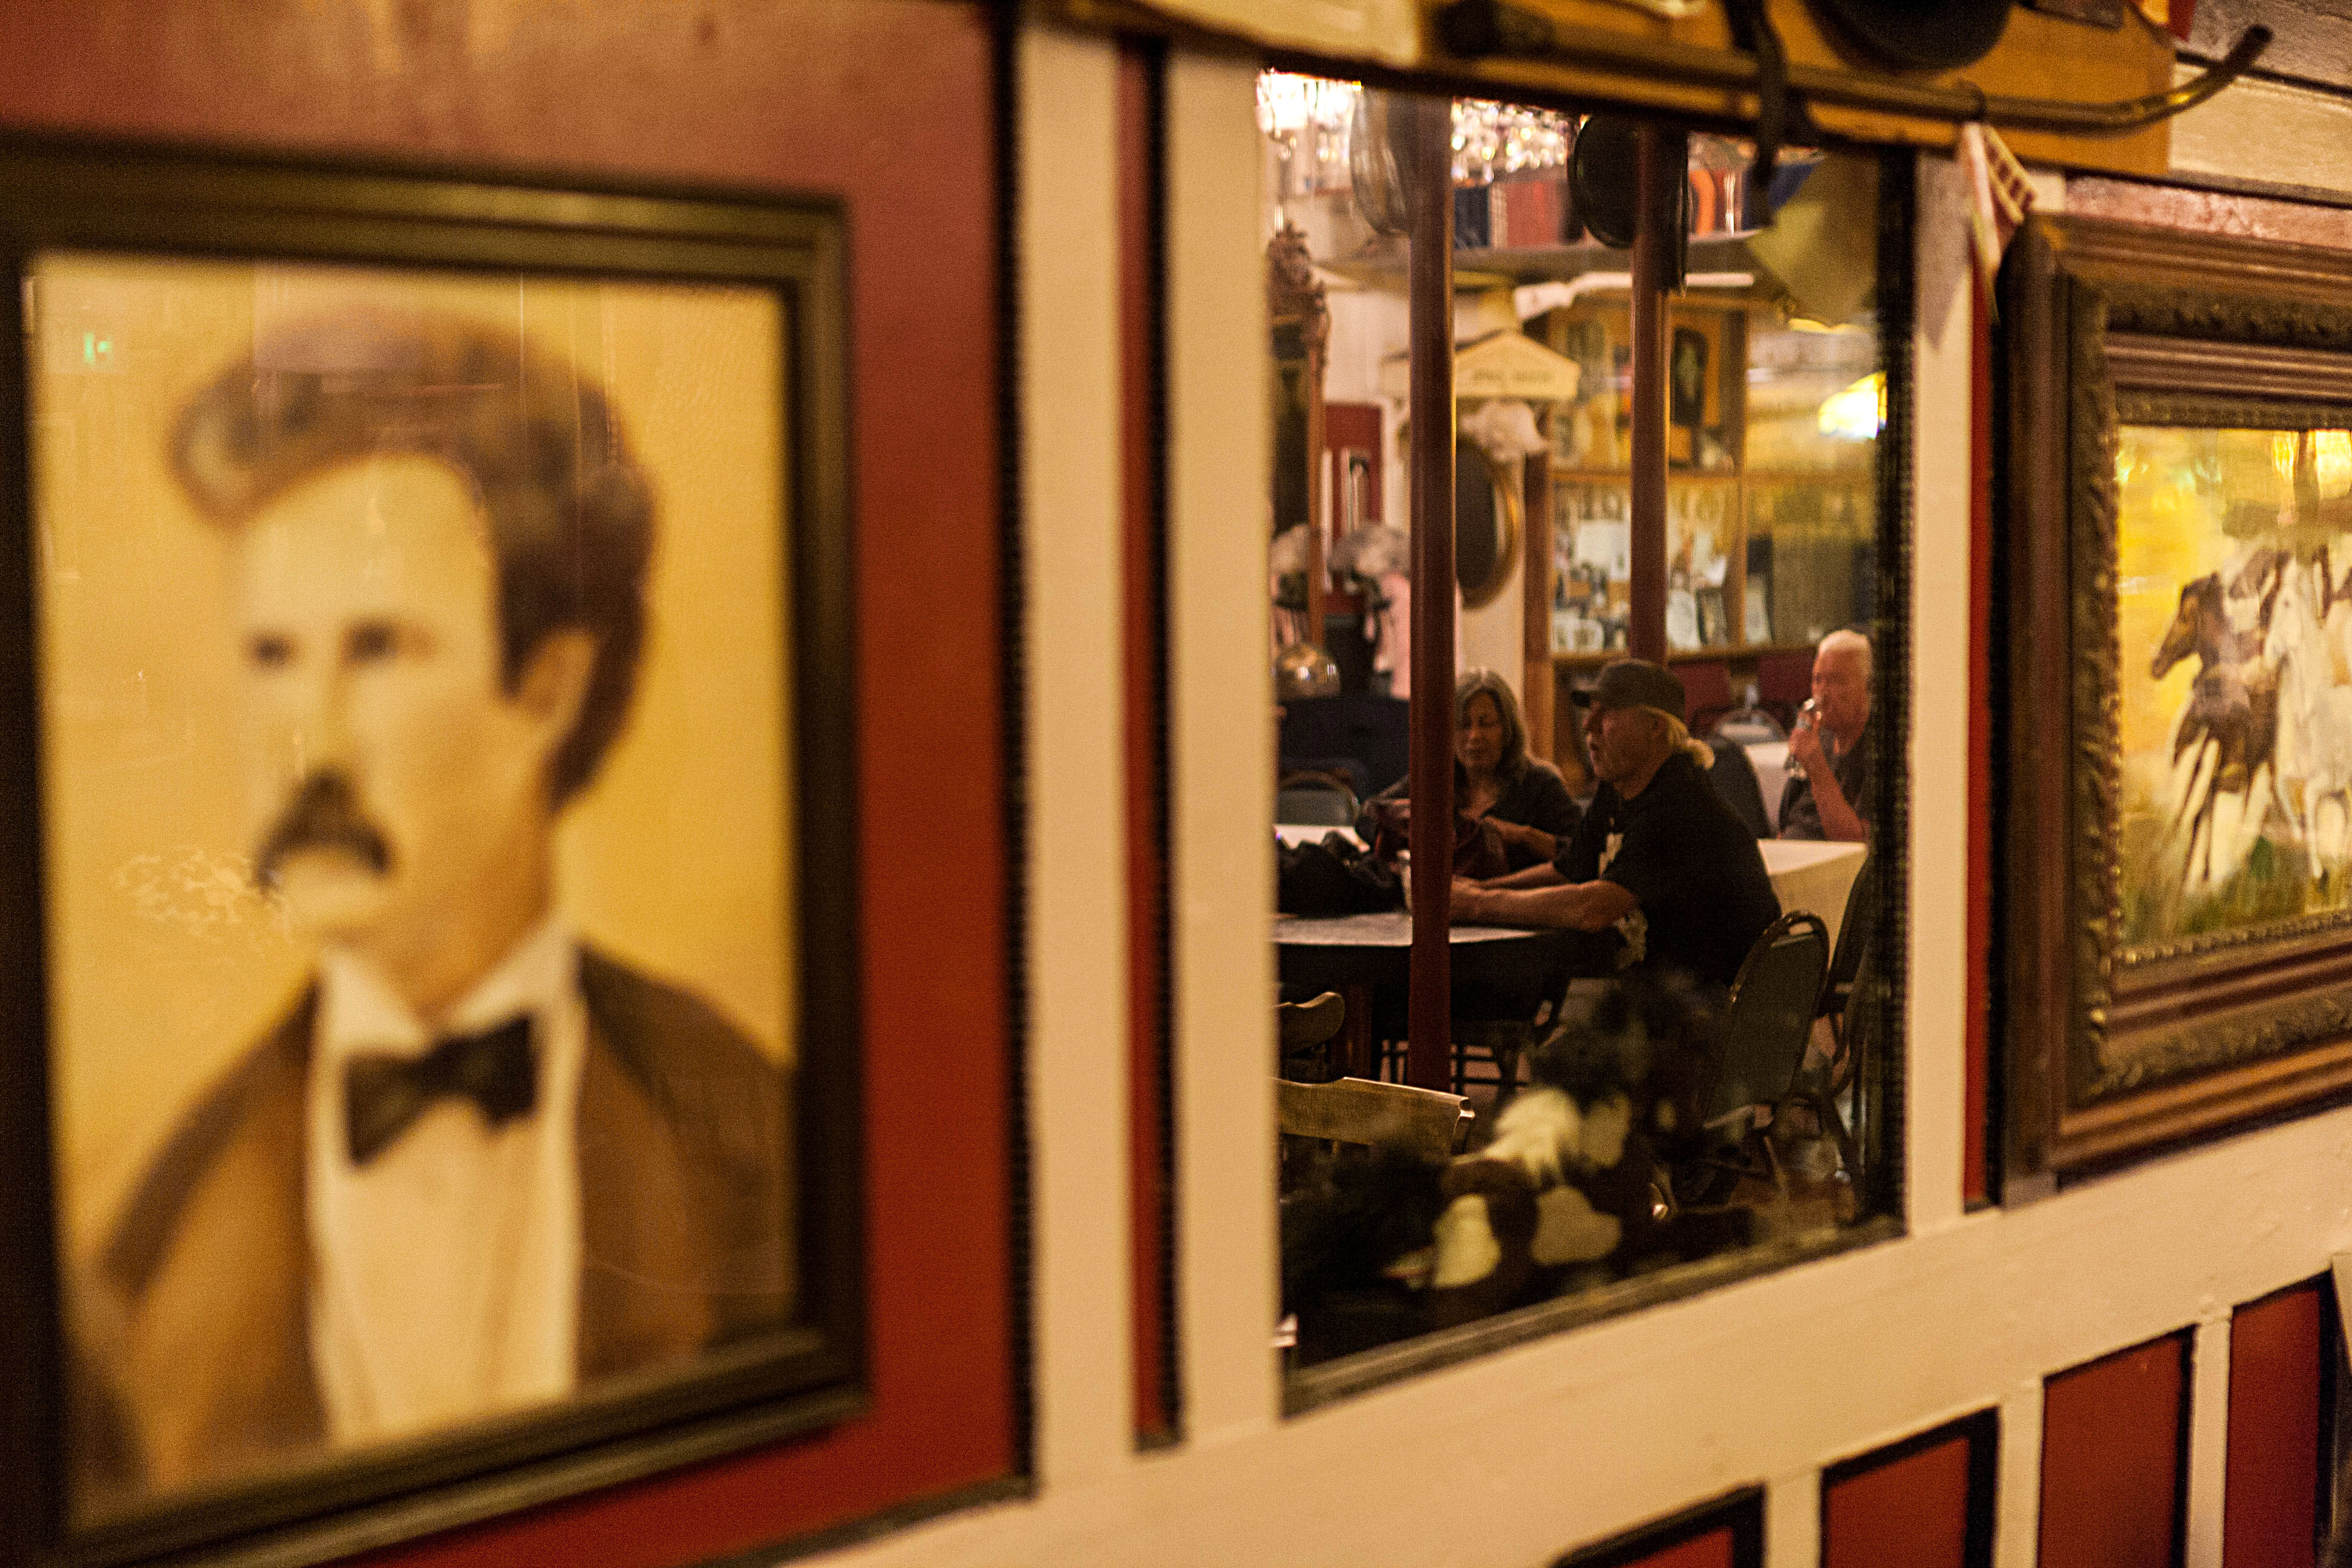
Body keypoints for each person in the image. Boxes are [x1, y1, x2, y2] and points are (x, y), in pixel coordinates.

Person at [73, 310, 791, 1495]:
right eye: (270, 657)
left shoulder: (763, 1145)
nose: (307, 746)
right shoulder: (133, 1264)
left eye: (379, 650)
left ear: (549, 688)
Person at [1451, 659, 1780, 991]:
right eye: (1589, 711)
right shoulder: (1618, 784)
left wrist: (1476, 905)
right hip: (1663, 991)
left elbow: (1593, 908)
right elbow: (1570, 869)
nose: (1587, 727)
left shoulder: (1679, 801)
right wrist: (1480, 889)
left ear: (1655, 727)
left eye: (1605, 714)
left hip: (1717, 1007)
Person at [1365, 669, 1581, 871]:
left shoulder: (1539, 785)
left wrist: (1524, 836)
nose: (1474, 736)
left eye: (1486, 724)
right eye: (1464, 725)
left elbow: (1584, 851)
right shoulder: (1436, 780)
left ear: (1507, 729)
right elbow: (1366, 818)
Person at [1779, 628, 1873, 842]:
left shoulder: (1882, 749)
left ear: (1869, 686)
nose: (1822, 694)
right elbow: (1788, 823)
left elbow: (1857, 844)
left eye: (1837, 681)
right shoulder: (1820, 736)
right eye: (1818, 680)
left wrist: (1817, 767)